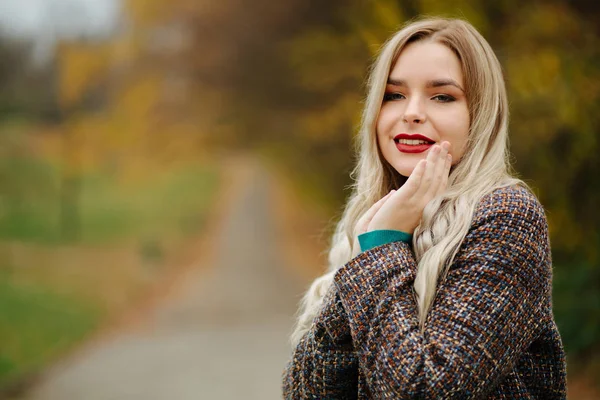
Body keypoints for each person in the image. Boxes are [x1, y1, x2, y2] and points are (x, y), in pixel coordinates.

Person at [282, 17, 567, 399]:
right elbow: (306, 393)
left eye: (442, 96)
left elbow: (426, 389)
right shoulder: (369, 219)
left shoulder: (506, 216)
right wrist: (374, 243)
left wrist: (383, 248)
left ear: (480, 115)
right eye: (394, 95)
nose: (411, 112)